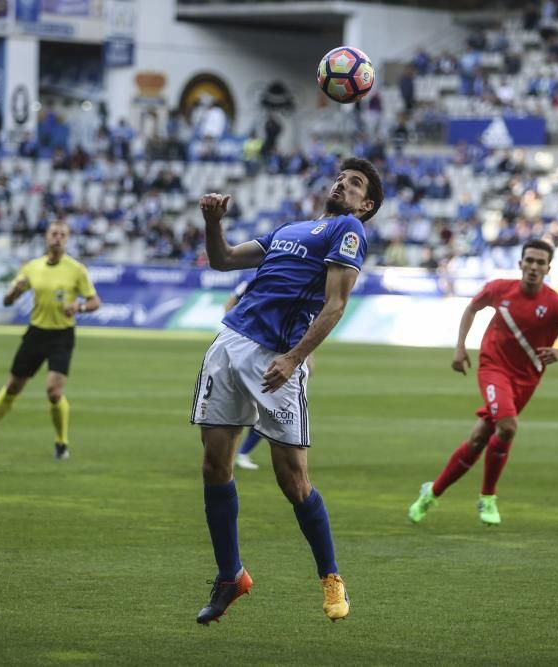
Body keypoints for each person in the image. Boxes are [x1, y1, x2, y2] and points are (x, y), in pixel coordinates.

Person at [191, 157, 383, 625]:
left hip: (275, 358)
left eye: (355, 184)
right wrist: (213, 224)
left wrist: (295, 358)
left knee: (293, 481)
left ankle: (330, 576)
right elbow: (222, 260)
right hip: (230, 343)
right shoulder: (290, 228)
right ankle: (229, 575)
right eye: (342, 178)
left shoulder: (348, 232)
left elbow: (335, 306)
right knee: (215, 465)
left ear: (367, 204)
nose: (343, 184)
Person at [408, 239, 558, 527]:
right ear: (520, 264)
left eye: (540, 262)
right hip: (493, 368)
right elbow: (471, 308)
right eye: (529, 261)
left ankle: (431, 493)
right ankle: (488, 497)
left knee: (479, 438)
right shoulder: (499, 289)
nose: (533, 267)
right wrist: (460, 348)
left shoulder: (557, 304)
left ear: (548, 268)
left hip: (527, 378)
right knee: (507, 426)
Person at [0, 220, 100, 460]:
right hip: (36, 333)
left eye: (62, 235)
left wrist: (78, 307)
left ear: (67, 240)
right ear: (46, 238)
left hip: (61, 335)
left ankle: (61, 442)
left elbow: (95, 302)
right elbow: (8, 300)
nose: (58, 238)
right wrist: (14, 291)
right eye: (54, 234)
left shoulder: (77, 270)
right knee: (13, 386)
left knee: (53, 391)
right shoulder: (32, 268)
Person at [225, 279, 316, 471]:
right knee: (259, 407)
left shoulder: (298, 286)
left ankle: (240, 453)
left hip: (276, 351)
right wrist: (234, 332)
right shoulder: (257, 280)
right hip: (250, 349)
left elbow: (307, 323)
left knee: (266, 407)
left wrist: (307, 355)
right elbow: (230, 302)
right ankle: (235, 454)